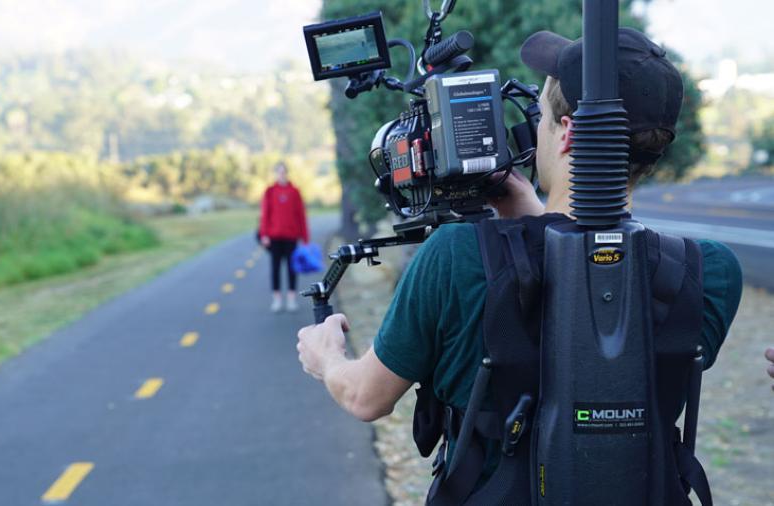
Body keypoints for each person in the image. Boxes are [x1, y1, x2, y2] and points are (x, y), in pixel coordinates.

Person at [297, 28, 743, 496]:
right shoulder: (709, 272)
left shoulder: (455, 256)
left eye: (542, 117)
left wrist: (325, 356)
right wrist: (533, 220)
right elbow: (606, 307)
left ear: (568, 135)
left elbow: (365, 396)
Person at [259, 162, 309, 313]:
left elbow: (301, 215)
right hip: (274, 237)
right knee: (275, 268)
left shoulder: (294, 191)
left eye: (283, 172)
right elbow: (265, 215)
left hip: (291, 236)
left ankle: (292, 299)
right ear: (275, 173)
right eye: (278, 172)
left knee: (291, 268)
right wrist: (264, 234)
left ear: (286, 173)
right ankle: (277, 299)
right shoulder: (270, 191)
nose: (281, 174)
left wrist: (305, 237)